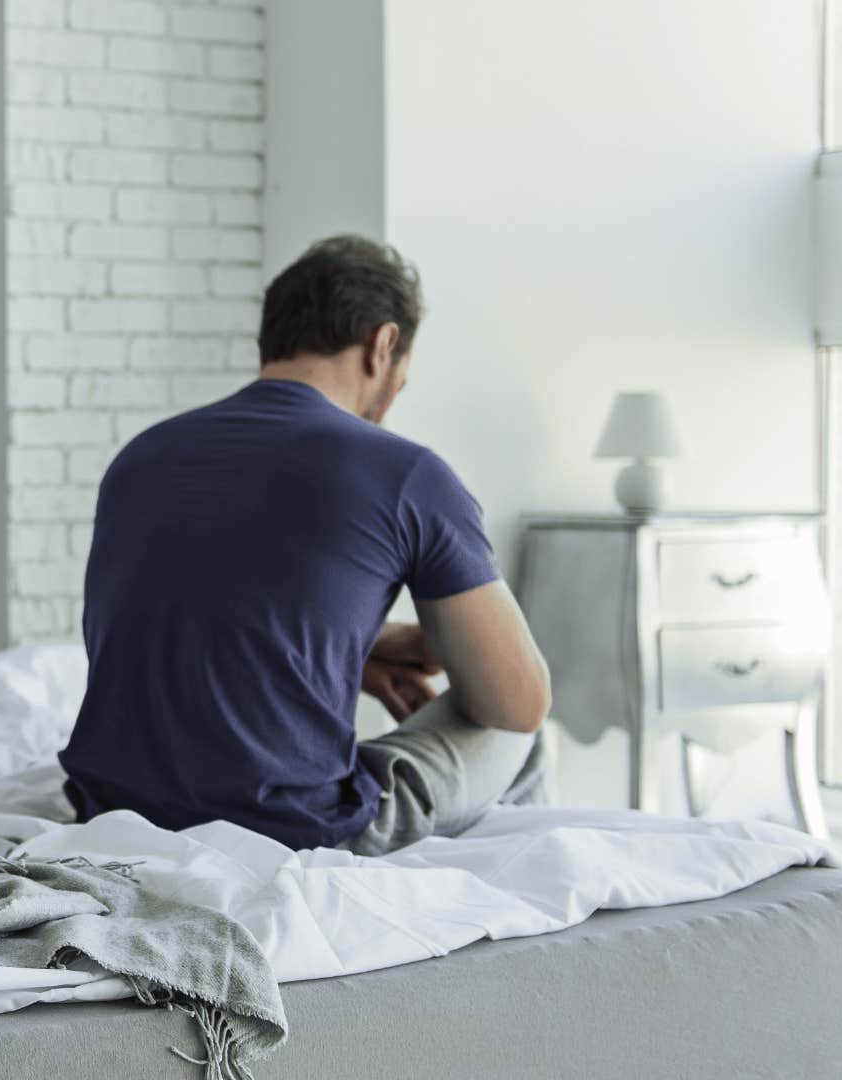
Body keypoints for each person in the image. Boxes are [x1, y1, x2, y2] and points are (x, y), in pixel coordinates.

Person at [57, 235, 551, 855]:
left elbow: (180, 614)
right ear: (383, 345)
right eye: (403, 377)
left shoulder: (142, 456)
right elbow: (518, 703)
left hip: (113, 810)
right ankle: (527, 898)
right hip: (290, 831)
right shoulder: (404, 473)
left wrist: (357, 648)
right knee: (524, 727)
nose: (395, 395)